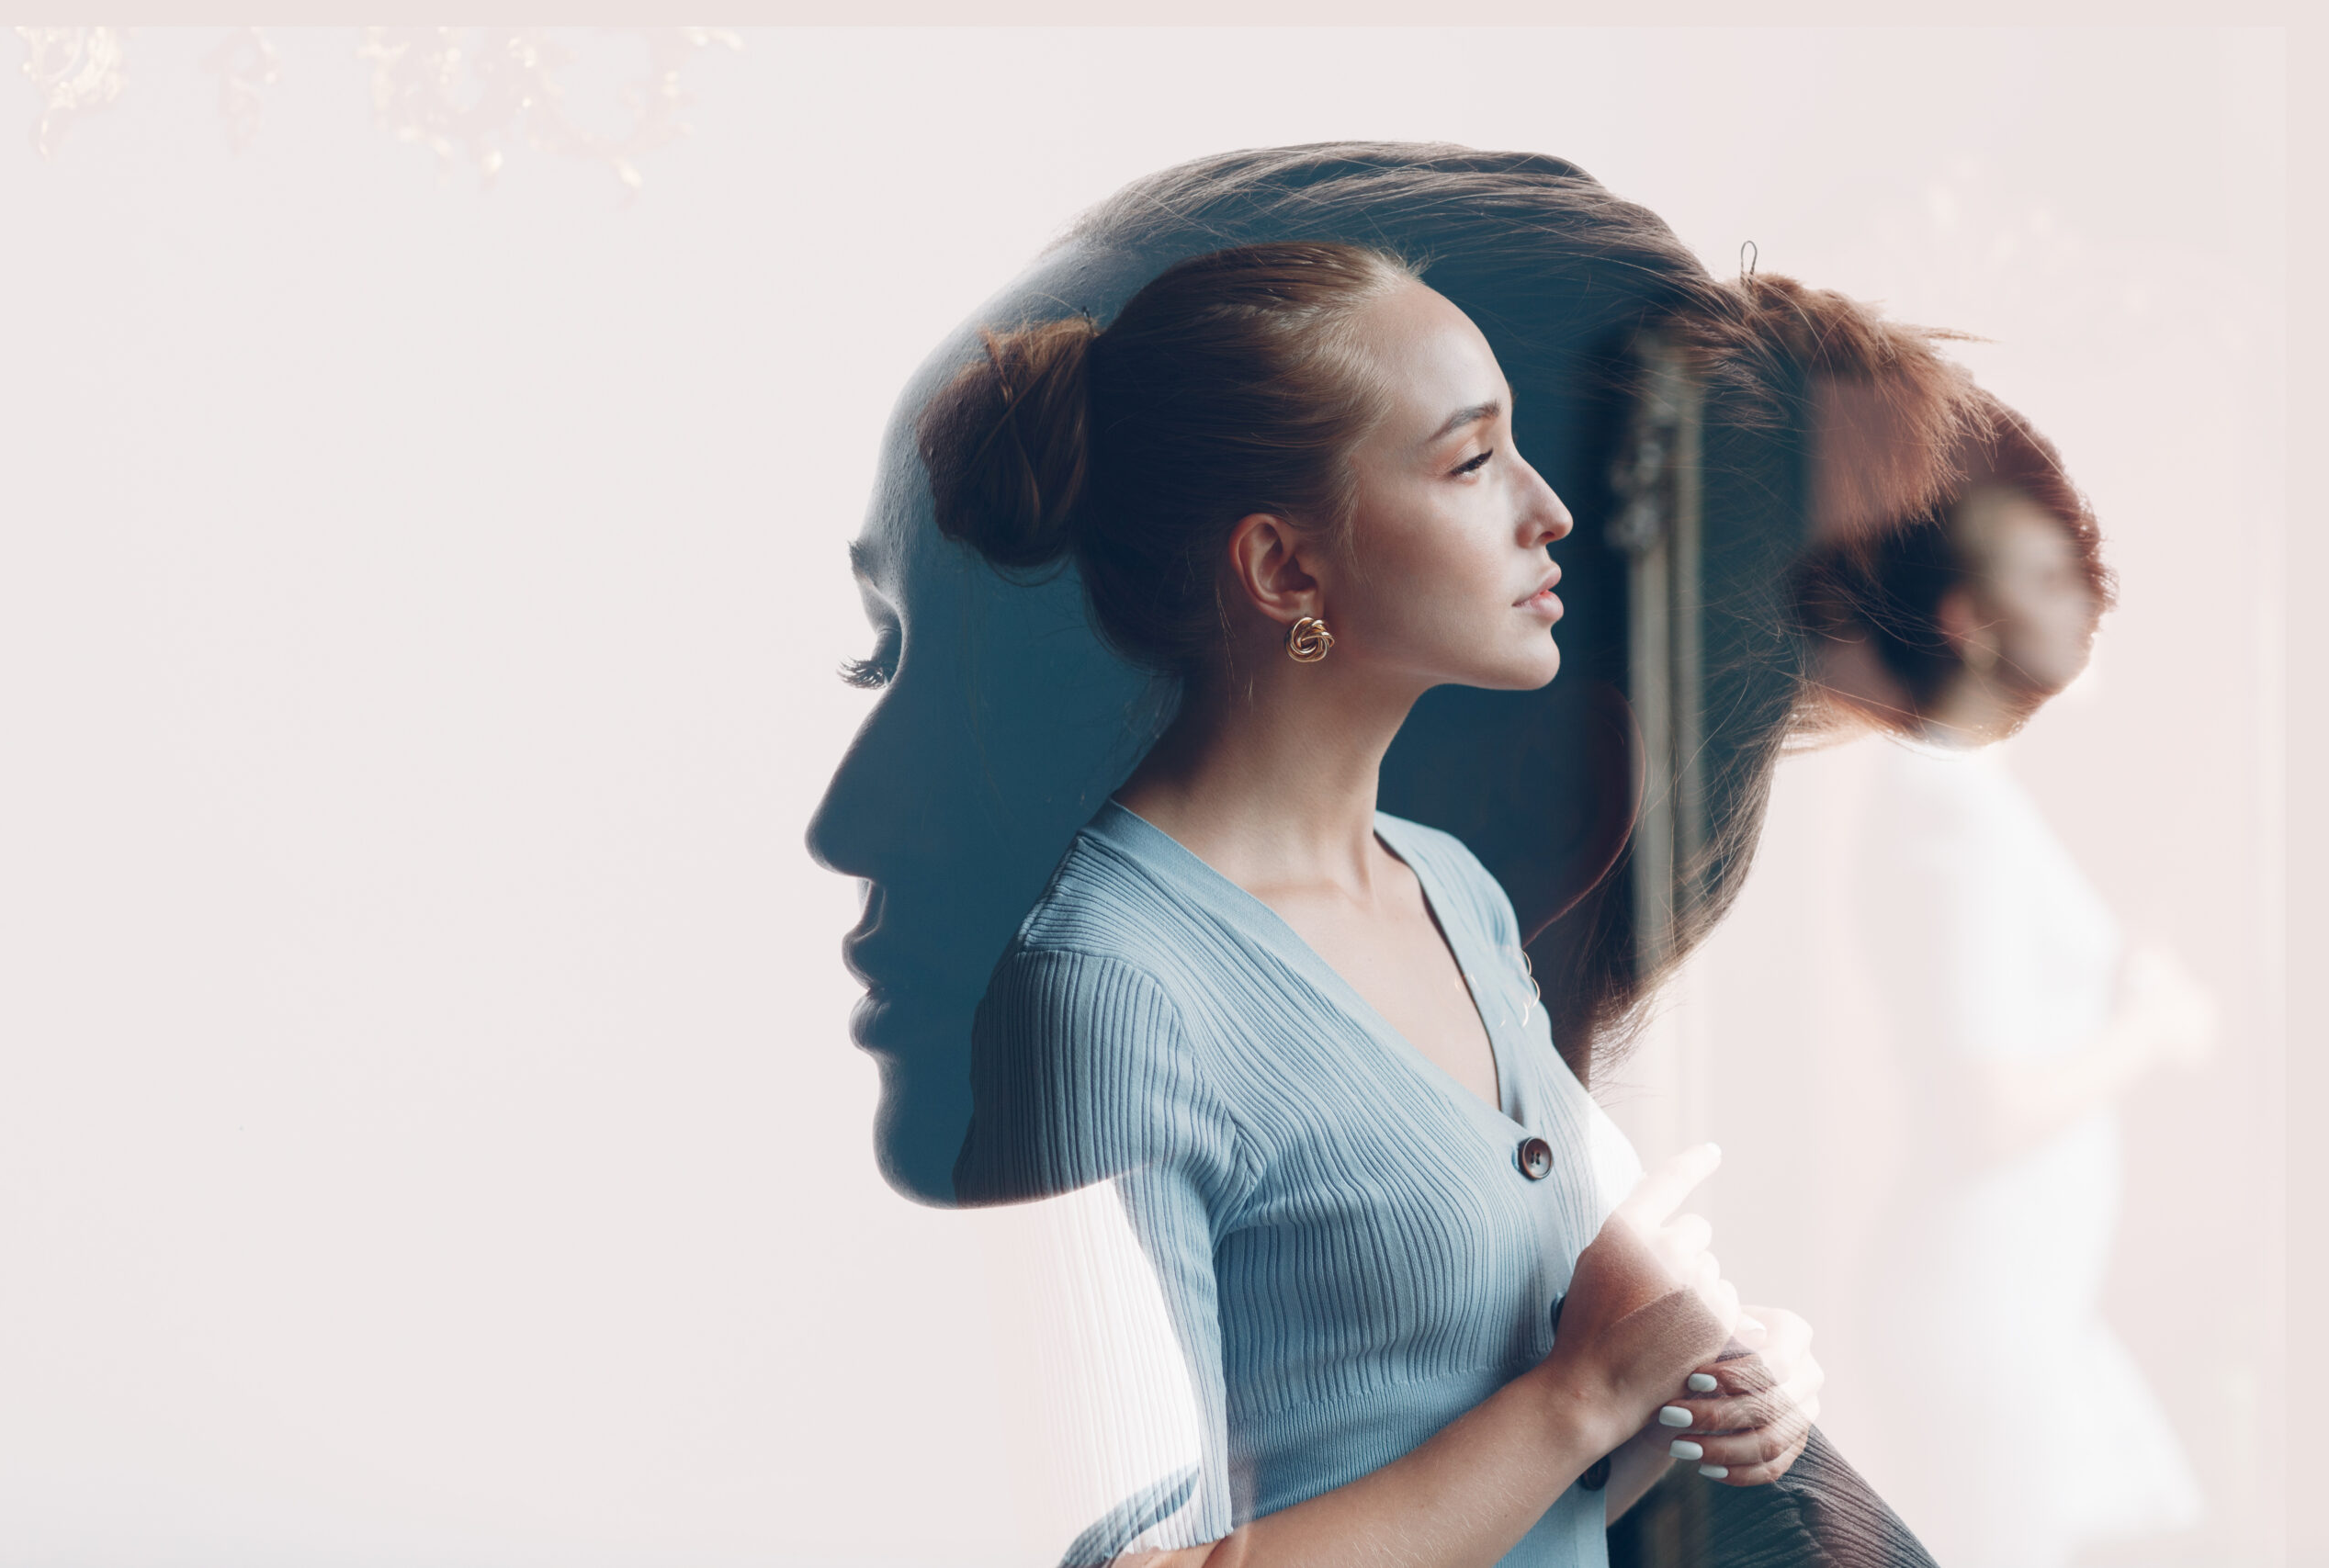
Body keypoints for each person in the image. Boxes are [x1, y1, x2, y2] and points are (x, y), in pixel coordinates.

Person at [807, 143, 2004, 1566]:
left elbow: (1472, 1451)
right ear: (1287, 571)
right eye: (1469, 456)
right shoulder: (1109, 993)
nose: (1545, 508)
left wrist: (1699, 1392)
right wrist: (1584, 1394)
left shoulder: (1453, 894)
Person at [1800, 423, 2214, 1568]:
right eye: (2044, 578)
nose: (2083, 599)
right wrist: (2146, 1030)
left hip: (2025, 1299)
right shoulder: (1947, 814)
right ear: (1968, 625)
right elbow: (1981, 1111)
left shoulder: (1972, 798)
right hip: (1986, 1305)